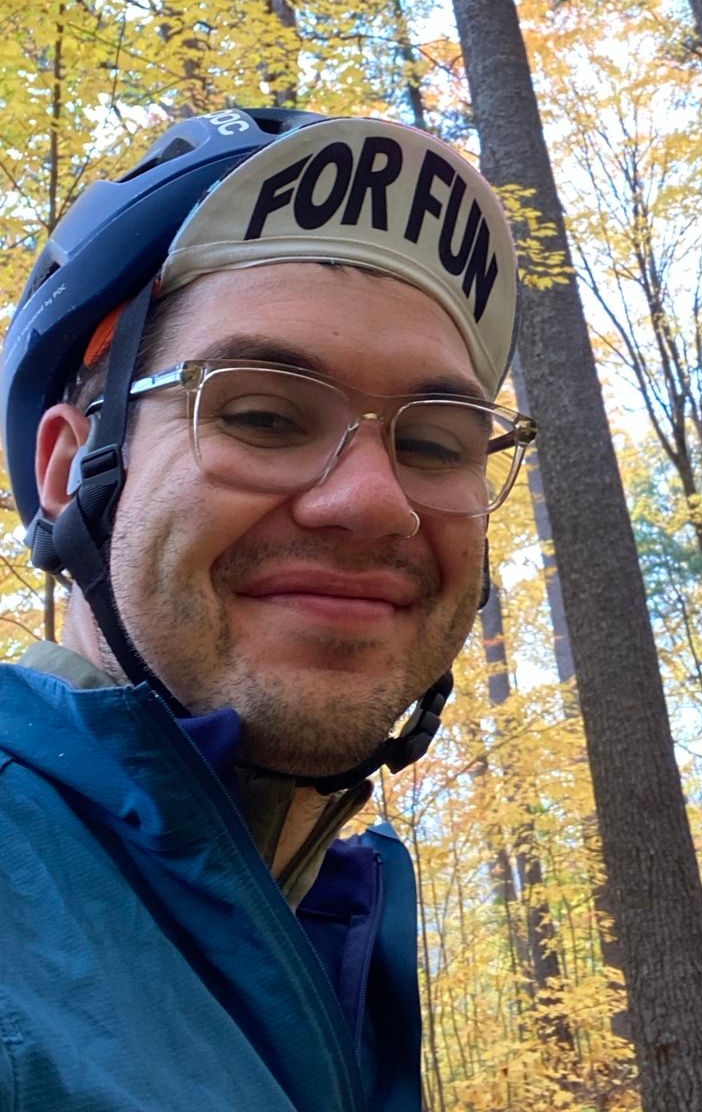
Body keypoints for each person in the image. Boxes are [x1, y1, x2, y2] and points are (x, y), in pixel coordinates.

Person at [0, 108, 536, 1112]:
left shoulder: (334, 927)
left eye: (436, 442)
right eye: (262, 414)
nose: (377, 502)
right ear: (72, 473)